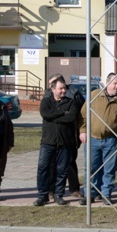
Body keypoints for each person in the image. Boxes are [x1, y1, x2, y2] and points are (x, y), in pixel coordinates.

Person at [34, 78, 80, 206]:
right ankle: (43, 195)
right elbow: (45, 114)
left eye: (64, 88)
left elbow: (71, 117)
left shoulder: (71, 102)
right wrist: (62, 113)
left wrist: (55, 116)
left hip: (65, 142)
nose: (63, 90)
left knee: (62, 170)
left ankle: (59, 194)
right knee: (43, 168)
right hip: (48, 142)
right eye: (60, 88)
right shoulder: (46, 101)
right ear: (53, 89)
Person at [79, 73, 117, 205]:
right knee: (91, 167)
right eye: (115, 84)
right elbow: (83, 114)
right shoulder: (94, 95)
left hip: (111, 140)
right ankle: (89, 193)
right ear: (108, 84)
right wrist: (83, 130)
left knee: (109, 168)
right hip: (92, 139)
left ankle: (106, 194)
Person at [44, 73, 84, 199]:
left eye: (53, 84)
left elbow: (77, 114)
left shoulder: (74, 93)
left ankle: (74, 188)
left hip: (70, 134)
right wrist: (62, 114)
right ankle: (51, 190)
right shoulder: (47, 95)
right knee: (51, 164)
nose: (51, 87)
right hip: (52, 135)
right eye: (50, 85)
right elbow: (46, 114)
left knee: (70, 162)